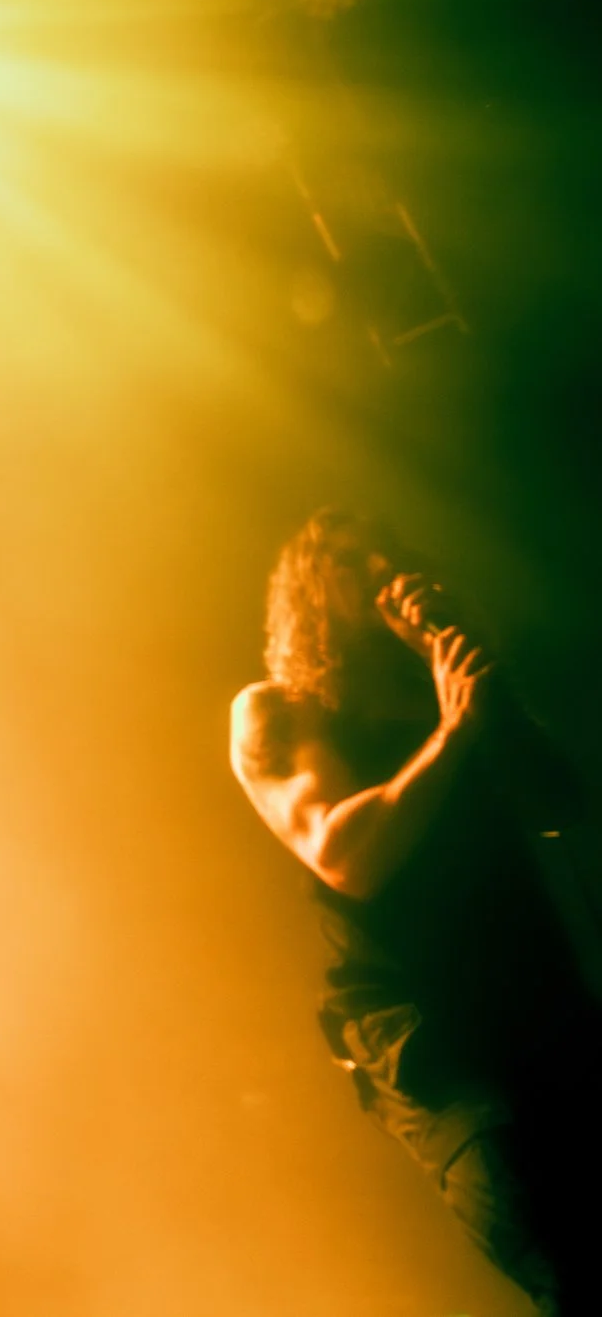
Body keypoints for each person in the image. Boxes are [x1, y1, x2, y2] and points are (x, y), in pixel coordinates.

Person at [229, 508, 601, 1313]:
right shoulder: (279, 711)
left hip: (540, 1011)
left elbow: (559, 803)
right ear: (319, 595)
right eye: (370, 570)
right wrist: (456, 731)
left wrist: (479, 686)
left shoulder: (442, 692)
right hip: (438, 1049)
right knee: (567, 1259)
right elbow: (340, 852)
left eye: (403, 561)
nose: (398, 582)